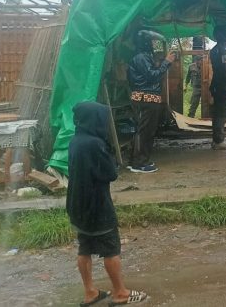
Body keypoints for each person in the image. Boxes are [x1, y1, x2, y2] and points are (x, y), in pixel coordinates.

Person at [67, 102, 147, 306]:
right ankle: (120, 293)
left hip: (77, 205)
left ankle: (90, 292)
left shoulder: (76, 141)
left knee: (84, 248)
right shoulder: (95, 144)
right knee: (111, 249)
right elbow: (110, 173)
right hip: (97, 207)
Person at [127, 30, 176, 173]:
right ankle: (140, 163)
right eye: (150, 42)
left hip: (144, 98)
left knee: (142, 130)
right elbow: (152, 76)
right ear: (146, 43)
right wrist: (166, 63)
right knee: (145, 132)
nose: (152, 45)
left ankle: (136, 161)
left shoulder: (140, 57)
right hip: (146, 99)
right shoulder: (142, 57)